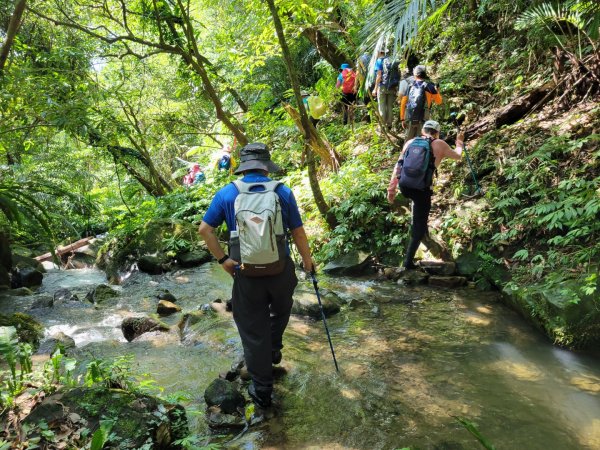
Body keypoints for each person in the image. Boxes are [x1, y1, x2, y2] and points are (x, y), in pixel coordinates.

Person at [198, 142, 314, 408]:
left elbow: (205, 229)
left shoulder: (227, 193)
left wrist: (224, 260)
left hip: (246, 273)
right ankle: (273, 347)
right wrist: (308, 262)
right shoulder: (282, 192)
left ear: (243, 167)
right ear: (266, 167)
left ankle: (262, 390)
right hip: (280, 270)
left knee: (252, 329)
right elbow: (297, 233)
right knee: (282, 308)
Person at [387, 120, 464, 269]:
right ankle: (408, 262)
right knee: (419, 225)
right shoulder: (440, 144)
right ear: (437, 132)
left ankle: (416, 223)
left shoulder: (410, 142)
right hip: (421, 190)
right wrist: (459, 142)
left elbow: (399, 166)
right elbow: (458, 156)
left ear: (423, 130)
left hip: (405, 186)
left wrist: (391, 190)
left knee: (416, 206)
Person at [399, 65, 442, 141]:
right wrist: (437, 91)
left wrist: (402, 119)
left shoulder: (410, 86)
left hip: (409, 117)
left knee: (408, 141)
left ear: (415, 74)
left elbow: (403, 103)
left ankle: (406, 152)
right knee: (421, 140)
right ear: (425, 74)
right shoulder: (430, 86)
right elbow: (439, 102)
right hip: (423, 119)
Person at [372, 49, 400, 130]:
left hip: (382, 86)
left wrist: (375, 88)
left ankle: (382, 126)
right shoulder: (392, 59)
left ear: (379, 52)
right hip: (392, 86)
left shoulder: (379, 61)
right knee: (389, 106)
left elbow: (379, 76)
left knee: (382, 106)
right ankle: (389, 125)